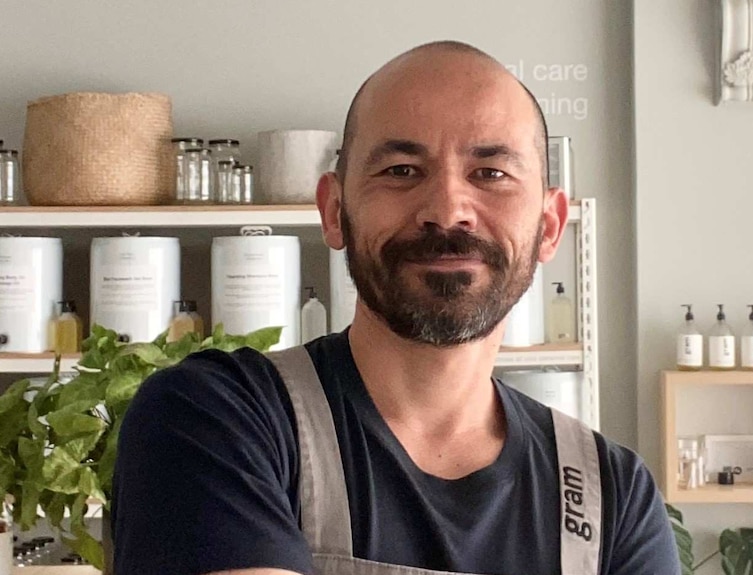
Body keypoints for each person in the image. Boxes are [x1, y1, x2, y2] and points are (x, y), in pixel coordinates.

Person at [112, 41, 680, 575]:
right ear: (334, 211)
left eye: (491, 173)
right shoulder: (218, 420)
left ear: (550, 226)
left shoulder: (613, 497)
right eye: (401, 171)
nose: (448, 210)